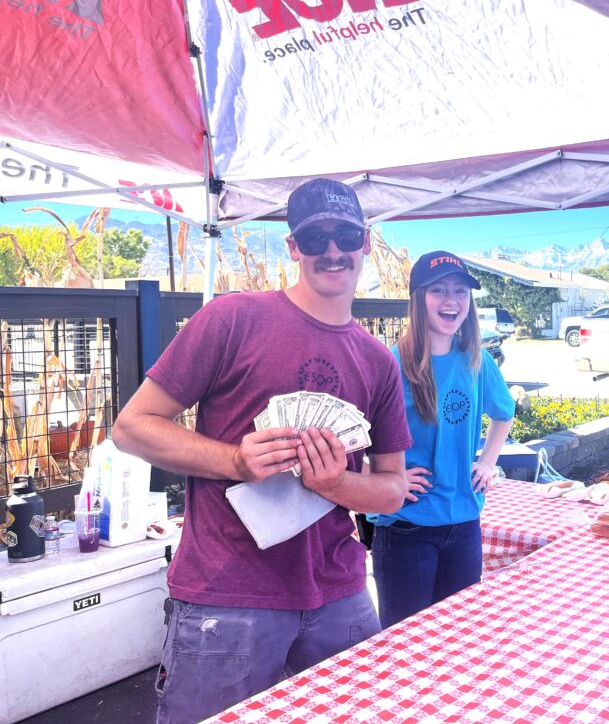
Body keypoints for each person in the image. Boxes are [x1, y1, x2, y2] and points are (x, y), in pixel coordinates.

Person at [111, 178, 411, 724]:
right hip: (226, 594)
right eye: (315, 238)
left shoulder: (377, 360)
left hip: (340, 592)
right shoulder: (232, 319)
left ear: (366, 241)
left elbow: (392, 488)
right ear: (293, 247)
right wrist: (233, 460)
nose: (332, 251)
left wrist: (337, 483)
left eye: (345, 235)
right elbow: (132, 427)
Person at [369, 251, 515, 628]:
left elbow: (504, 413)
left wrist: (487, 461)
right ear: (419, 300)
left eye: (460, 292)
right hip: (406, 529)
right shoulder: (390, 363)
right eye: (438, 290)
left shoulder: (476, 360)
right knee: (405, 643)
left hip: (465, 523)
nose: (452, 301)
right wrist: (390, 476)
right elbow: (357, 436)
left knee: (459, 638)